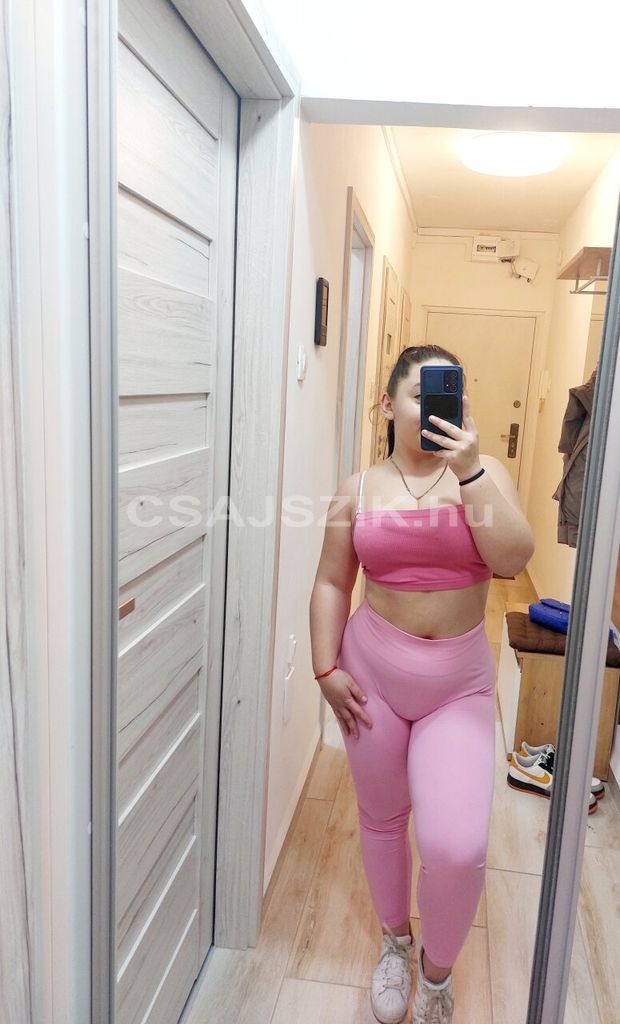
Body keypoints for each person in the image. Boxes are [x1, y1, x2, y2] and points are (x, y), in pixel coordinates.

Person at [309, 345, 535, 1024]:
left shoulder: (484, 473)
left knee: (456, 846)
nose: (438, 407)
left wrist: (470, 471)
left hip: (458, 688)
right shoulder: (357, 488)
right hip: (371, 676)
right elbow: (331, 581)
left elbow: (514, 559)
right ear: (387, 405)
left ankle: (437, 977)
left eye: (451, 394)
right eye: (420, 393)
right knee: (382, 820)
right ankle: (395, 943)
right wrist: (325, 668)